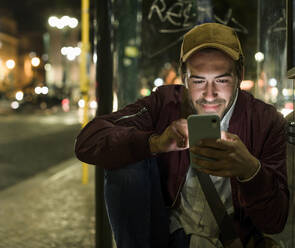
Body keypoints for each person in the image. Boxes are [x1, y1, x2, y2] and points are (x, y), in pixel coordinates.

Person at [75, 23, 289, 248]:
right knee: (125, 163)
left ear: (239, 75)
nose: (209, 94)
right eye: (198, 80)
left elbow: (275, 222)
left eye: (222, 80)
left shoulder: (265, 120)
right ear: (183, 77)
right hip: (164, 236)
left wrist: (250, 171)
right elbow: (88, 140)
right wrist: (155, 143)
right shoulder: (165, 103)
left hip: (228, 241)